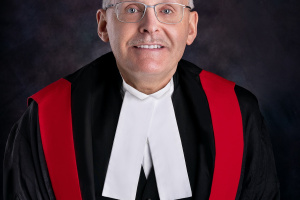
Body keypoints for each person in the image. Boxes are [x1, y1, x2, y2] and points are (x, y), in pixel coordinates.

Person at [3, 0, 280, 199]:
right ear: (103, 25)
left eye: (167, 10)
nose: (150, 26)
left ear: (191, 27)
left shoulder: (239, 114)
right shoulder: (45, 118)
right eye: (132, 9)